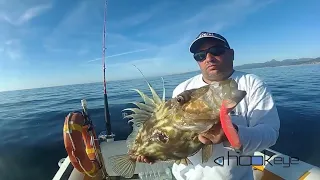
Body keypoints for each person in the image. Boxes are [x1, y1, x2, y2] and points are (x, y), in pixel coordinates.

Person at [136, 32, 280, 180]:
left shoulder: (251, 84)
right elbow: (172, 136)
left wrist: (231, 134)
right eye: (200, 55)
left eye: (216, 51)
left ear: (231, 54)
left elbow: (270, 134)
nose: (209, 58)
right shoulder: (183, 88)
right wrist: (157, 152)